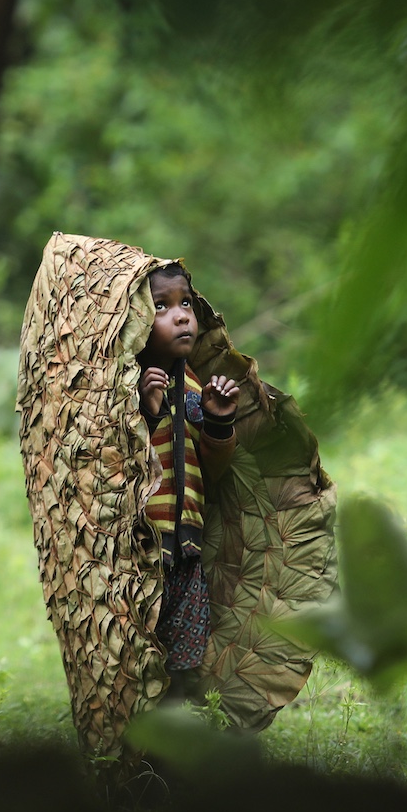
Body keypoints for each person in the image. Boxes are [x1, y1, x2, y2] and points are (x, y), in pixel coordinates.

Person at [136, 263, 240, 702]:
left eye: (185, 304)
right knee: (140, 645)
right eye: (161, 306)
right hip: (141, 548)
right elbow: (112, 460)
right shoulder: (124, 383)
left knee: (186, 653)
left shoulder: (193, 384)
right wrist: (147, 411)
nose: (181, 316)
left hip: (186, 544)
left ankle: (181, 724)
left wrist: (219, 421)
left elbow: (211, 469)